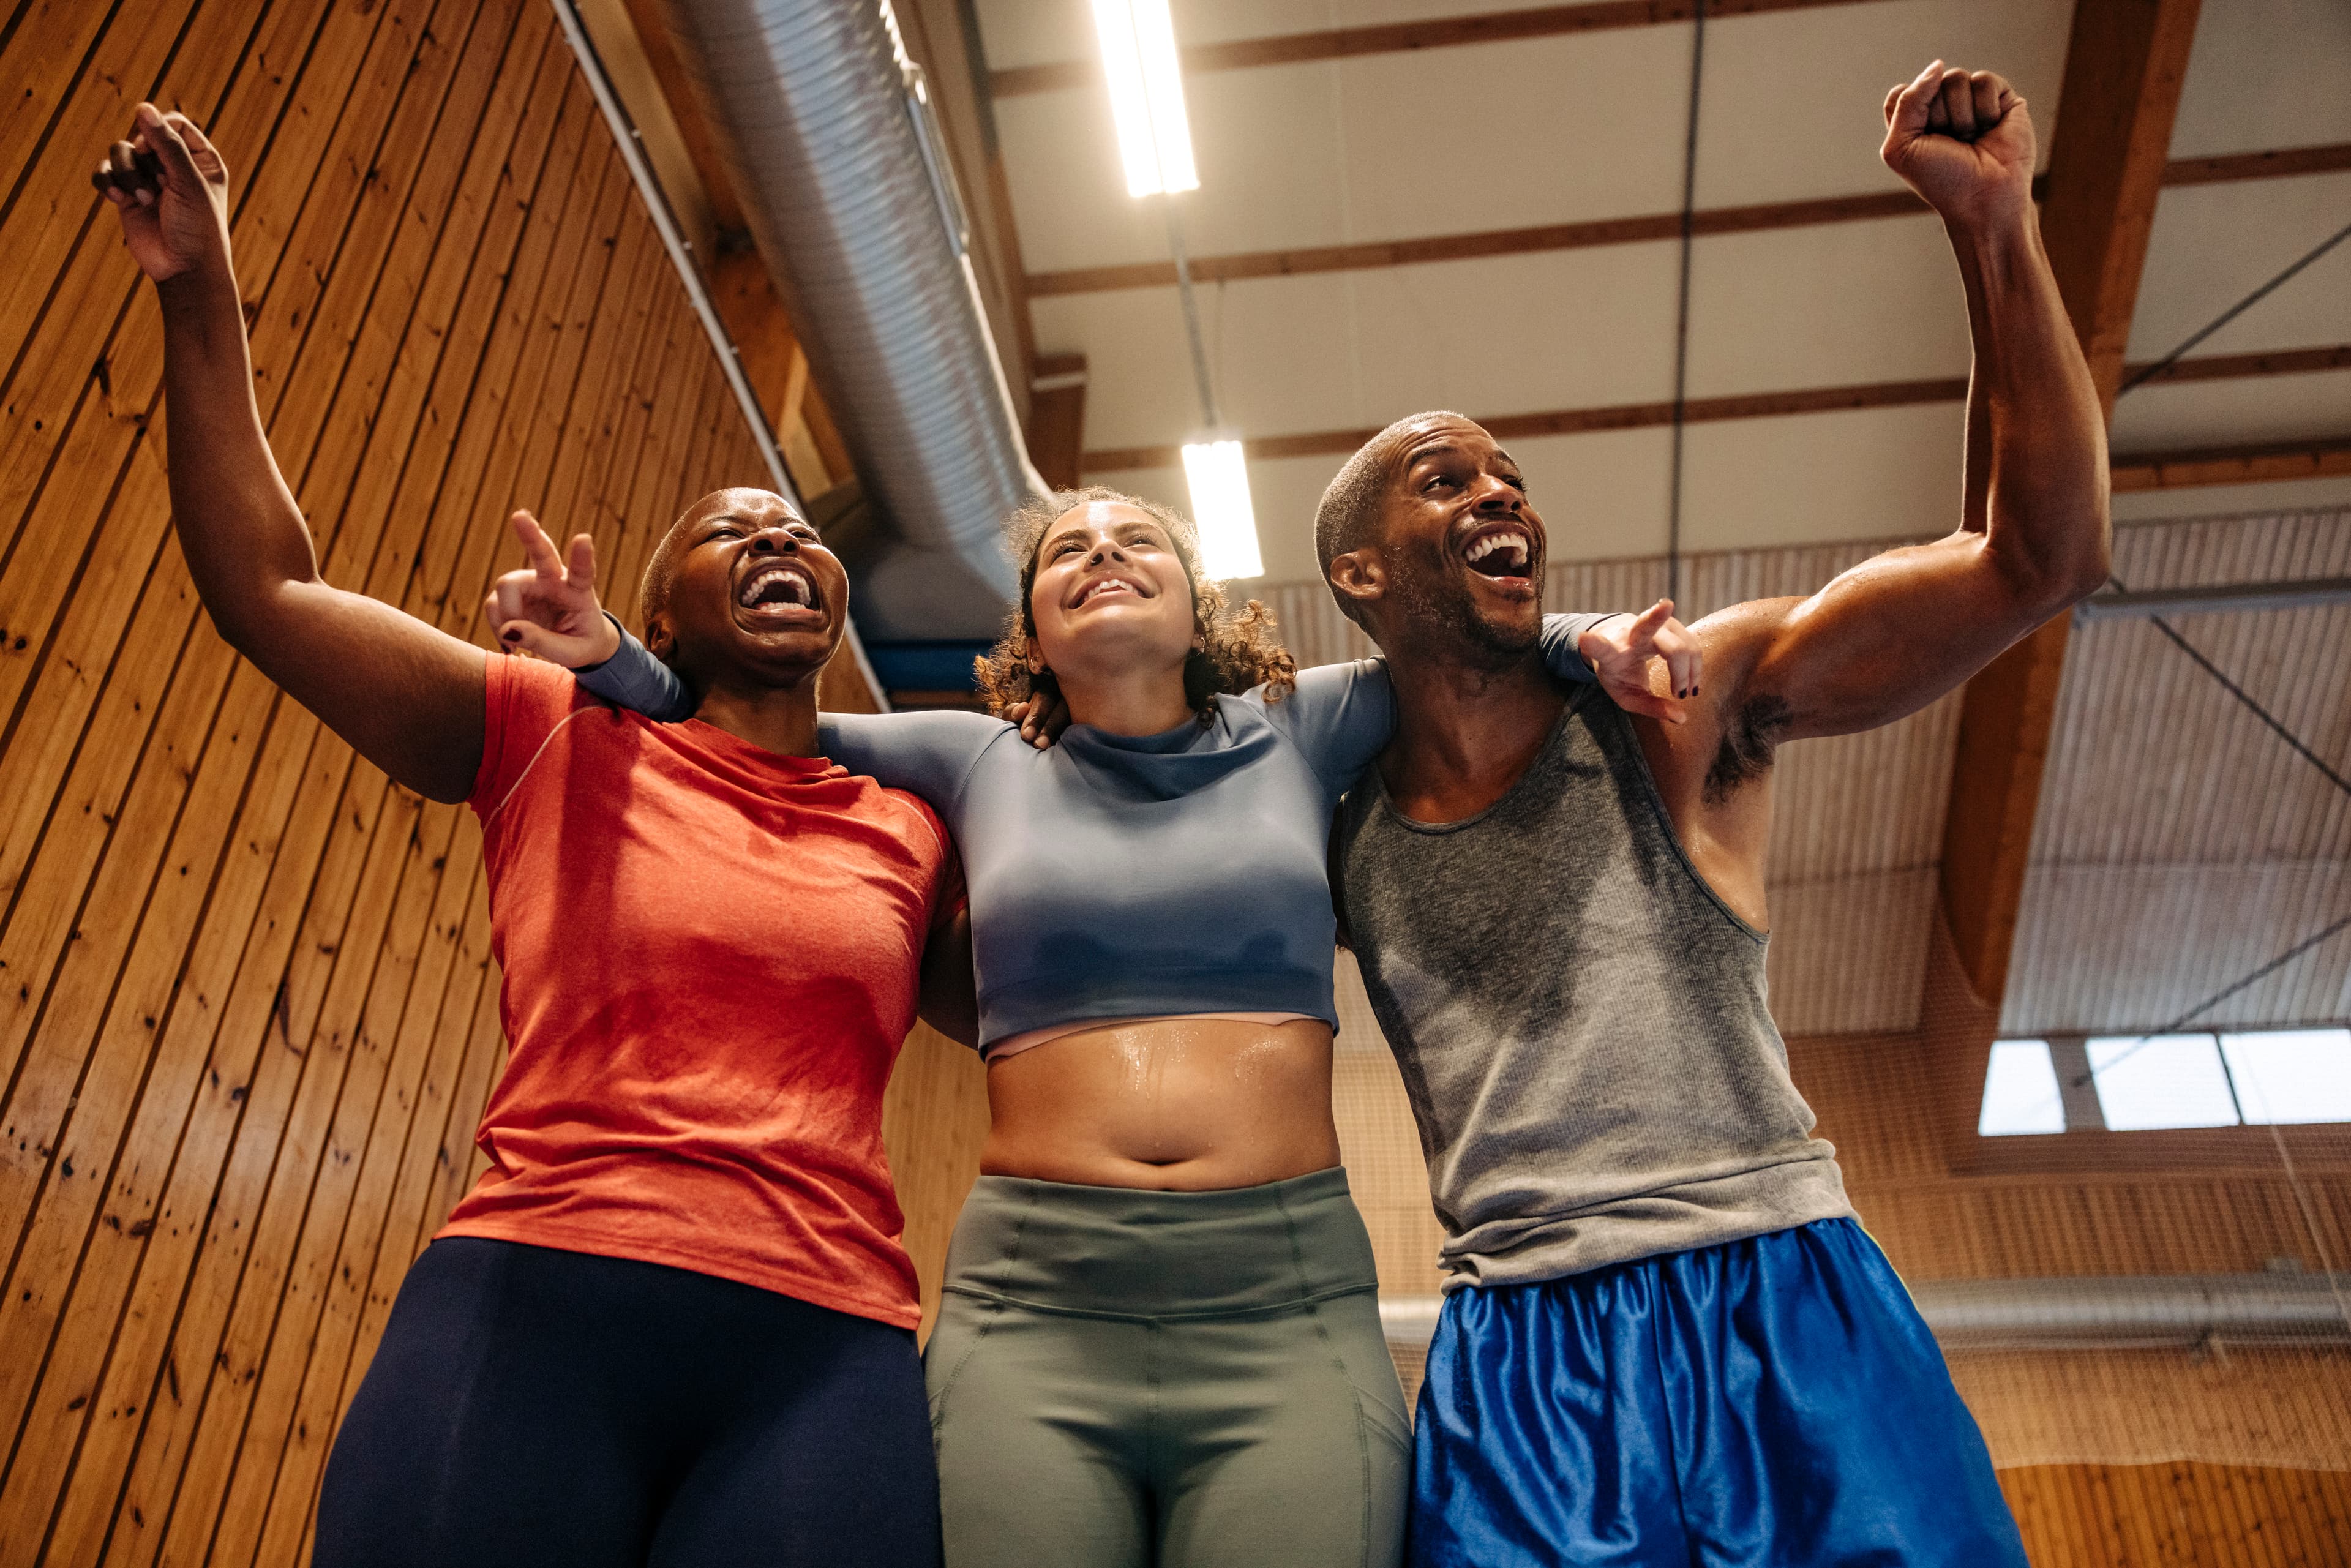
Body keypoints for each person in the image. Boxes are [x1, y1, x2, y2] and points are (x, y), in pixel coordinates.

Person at [491, 479, 1694, 1567]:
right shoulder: (974, 763)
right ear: (1035, 630)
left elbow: (1466, 659)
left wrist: (1583, 640)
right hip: (1036, 1310)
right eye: (1068, 550)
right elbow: (753, 722)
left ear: (1197, 605)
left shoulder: (1300, 726)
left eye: (1139, 543)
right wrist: (609, 657)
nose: (1103, 554)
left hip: (1283, 1309)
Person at [96, 107, 969, 1567]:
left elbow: (1063, 1004)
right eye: (730, 529)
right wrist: (199, 285)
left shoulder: (911, 821)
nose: (780, 542)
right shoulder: (555, 734)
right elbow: (271, 591)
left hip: (826, 1353)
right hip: (535, 1303)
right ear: (662, 611)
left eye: (803, 536)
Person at [1314, 63, 2106, 1566]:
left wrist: (1997, 230)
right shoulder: (1332, 814)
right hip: (1524, 1366)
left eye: (1514, 478)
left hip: (1781, 1300)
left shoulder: (1682, 705)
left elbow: (2033, 559)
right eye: (1446, 478)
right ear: (1360, 573)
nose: (1503, 497)